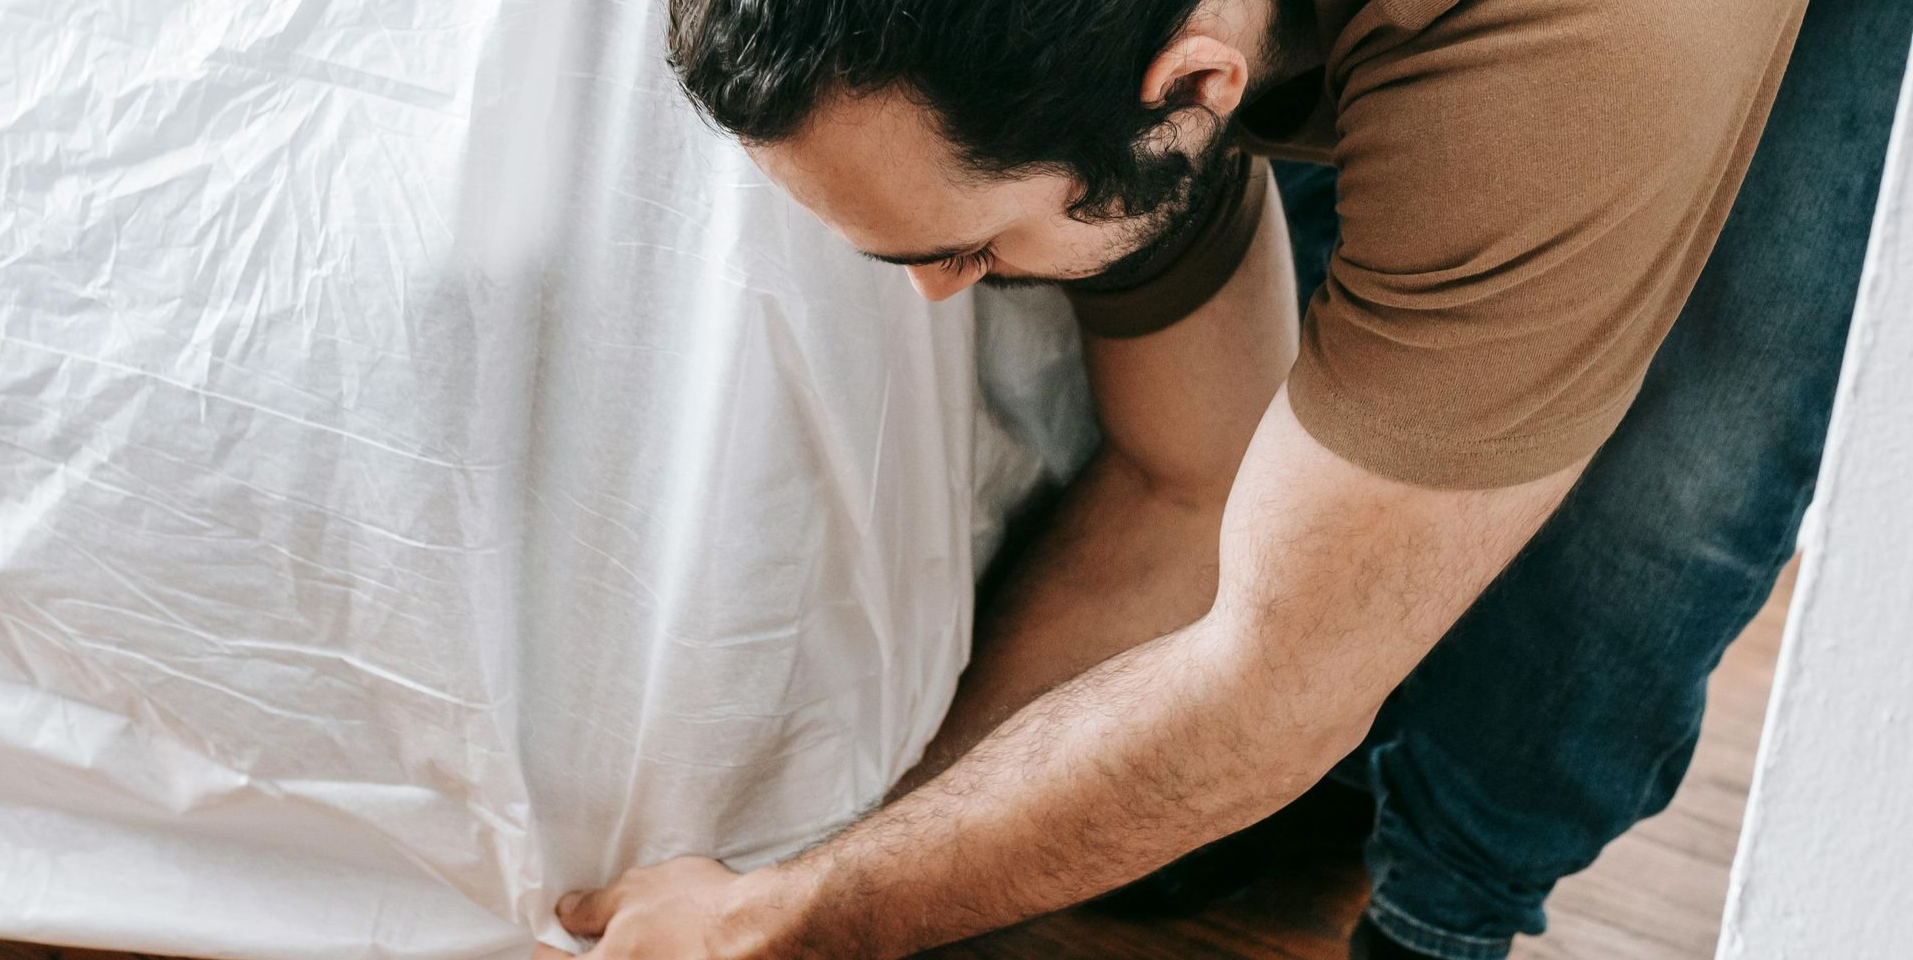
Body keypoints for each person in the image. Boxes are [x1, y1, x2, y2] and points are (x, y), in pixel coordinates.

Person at [534, 0, 1912, 957]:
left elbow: (1278, 683)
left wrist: (795, 921)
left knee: (1670, 483)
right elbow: (1183, 479)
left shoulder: (1559, 75)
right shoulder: (1147, 80)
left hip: (1654, 51)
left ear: (1196, 91)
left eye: (969, 248)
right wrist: (871, 850)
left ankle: (1448, 903)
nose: (943, 301)